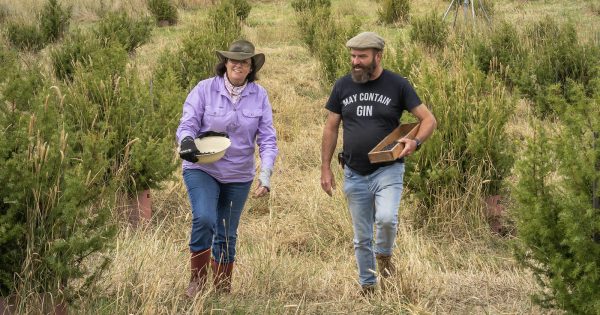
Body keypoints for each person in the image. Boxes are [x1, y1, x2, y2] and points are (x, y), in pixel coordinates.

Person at [320, 32, 437, 294]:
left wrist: (414, 142)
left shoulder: (397, 84)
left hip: (388, 169)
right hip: (353, 172)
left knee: (385, 219)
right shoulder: (342, 86)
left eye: (362, 56)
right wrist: (325, 167)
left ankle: (384, 257)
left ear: (378, 56)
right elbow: (331, 128)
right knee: (361, 237)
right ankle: (368, 287)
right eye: (352, 56)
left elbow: (428, 120)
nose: (356, 62)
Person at [176, 39, 278, 297]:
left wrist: (265, 175)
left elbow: (267, 138)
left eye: (244, 62)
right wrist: (187, 142)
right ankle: (196, 280)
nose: (238, 65)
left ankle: (222, 289)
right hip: (203, 168)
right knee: (205, 218)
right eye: (234, 60)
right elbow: (187, 123)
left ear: (251, 66)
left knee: (226, 232)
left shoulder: (260, 95)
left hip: (239, 174)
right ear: (225, 63)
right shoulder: (204, 89)